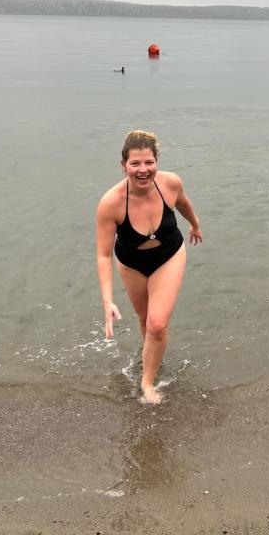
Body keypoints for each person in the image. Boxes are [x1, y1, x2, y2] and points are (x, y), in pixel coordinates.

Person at [96, 130, 202, 403]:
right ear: (123, 166)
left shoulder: (170, 183)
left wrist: (195, 225)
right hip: (131, 263)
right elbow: (104, 255)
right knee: (144, 320)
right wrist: (107, 301)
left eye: (149, 162)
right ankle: (152, 356)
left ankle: (147, 382)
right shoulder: (111, 203)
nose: (143, 170)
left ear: (156, 162)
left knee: (157, 324)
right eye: (135, 163)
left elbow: (184, 204)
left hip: (169, 255)